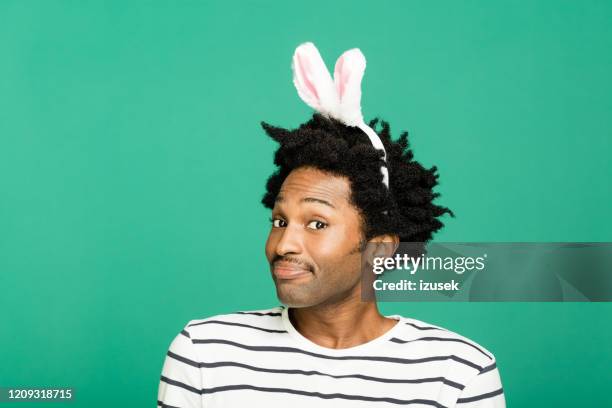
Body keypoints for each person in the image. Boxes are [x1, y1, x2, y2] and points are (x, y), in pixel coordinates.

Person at [157, 42, 505, 408]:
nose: (283, 244)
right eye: (279, 220)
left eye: (317, 224)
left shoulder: (458, 373)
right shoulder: (205, 354)